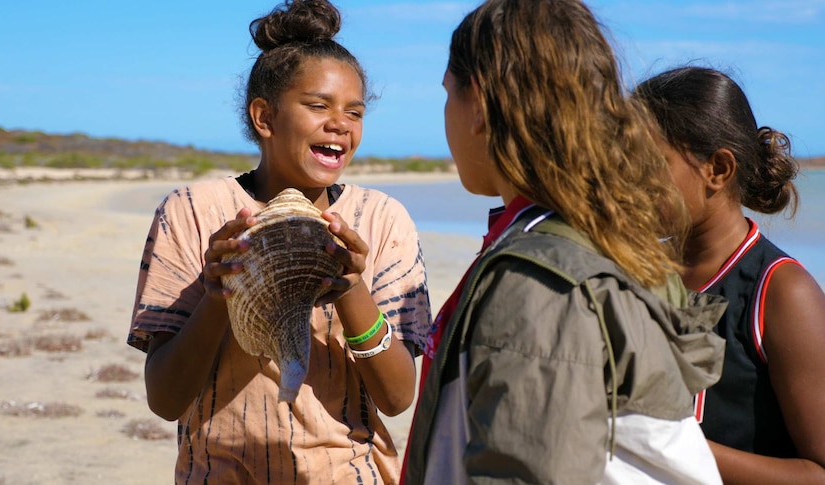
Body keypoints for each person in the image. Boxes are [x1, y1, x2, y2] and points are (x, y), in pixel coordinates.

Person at [402, 0, 728, 483]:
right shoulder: (608, 240)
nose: (444, 113)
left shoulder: (541, 280)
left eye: (450, 92)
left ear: (482, 106)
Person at [126, 1, 432, 483]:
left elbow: (397, 398)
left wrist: (352, 289)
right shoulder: (192, 211)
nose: (341, 125)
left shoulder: (381, 220)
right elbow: (165, 400)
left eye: (355, 111)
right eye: (319, 106)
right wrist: (217, 296)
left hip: (348, 473)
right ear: (264, 117)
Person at [635, 66, 825, 484]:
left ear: (718, 170)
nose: (631, 181)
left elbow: (818, 472)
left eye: (650, 163)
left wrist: (670, 445)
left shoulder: (780, 292)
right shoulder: (635, 272)